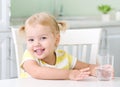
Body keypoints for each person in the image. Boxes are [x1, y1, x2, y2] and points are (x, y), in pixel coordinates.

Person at [19, 12, 113, 80]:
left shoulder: (64, 57)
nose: (36, 44)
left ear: (56, 40)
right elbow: (37, 72)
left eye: (43, 38)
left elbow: (87, 67)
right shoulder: (29, 57)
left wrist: (98, 71)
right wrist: (69, 74)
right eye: (31, 40)